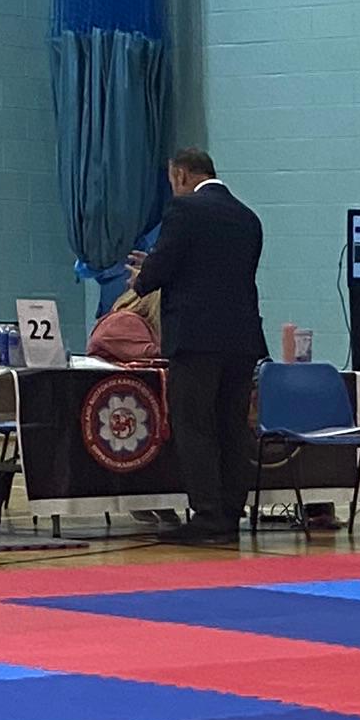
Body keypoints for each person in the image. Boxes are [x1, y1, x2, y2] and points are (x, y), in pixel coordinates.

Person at [126, 147, 266, 545]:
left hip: (196, 338)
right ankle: (229, 514)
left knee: (195, 425)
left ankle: (206, 515)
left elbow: (166, 264)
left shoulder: (185, 211)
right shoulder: (248, 217)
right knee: (233, 426)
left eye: (173, 180)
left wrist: (141, 277)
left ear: (183, 175)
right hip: (241, 339)